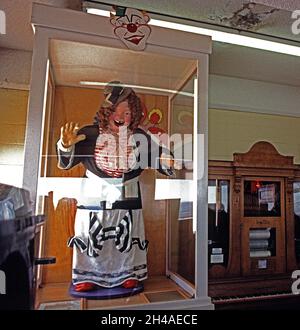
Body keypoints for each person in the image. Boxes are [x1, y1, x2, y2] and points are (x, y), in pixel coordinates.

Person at [57, 81, 174, 292]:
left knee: (126, 236)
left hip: (127, 193)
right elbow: (67, 162)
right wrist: (66, 146)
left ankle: (128, 273)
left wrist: (167, 160)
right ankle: (87, 275)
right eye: (116, 110)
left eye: (127, 112)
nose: (121, 116)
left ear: (134, 115)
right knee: (91, 236)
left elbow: (160, 156)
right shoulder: (89, 133)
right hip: (94, 194)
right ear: (107, 111)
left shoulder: (140, 137)